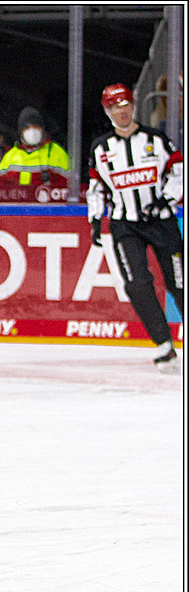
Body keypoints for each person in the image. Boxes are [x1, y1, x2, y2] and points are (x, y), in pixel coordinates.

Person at [87, 83, 184, 374]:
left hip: (162, 222)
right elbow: (96, 188)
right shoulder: (101, 148)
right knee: (137, 283)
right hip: (124, 224)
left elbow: (178, 172)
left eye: (126, 104)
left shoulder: (156, 139)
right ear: (108, 111)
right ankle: (164, 344)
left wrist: (165, 199)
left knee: (179, 282)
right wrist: (94, 219)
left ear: (133, 106)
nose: (122, 110)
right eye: (115, 106)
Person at [0, 106, 69, 186]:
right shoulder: (10, 157)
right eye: (27, 127)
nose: (32, 131)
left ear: (42, 129)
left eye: (36, 126)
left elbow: (69, 187)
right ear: (21, 131)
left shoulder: (56, 153)